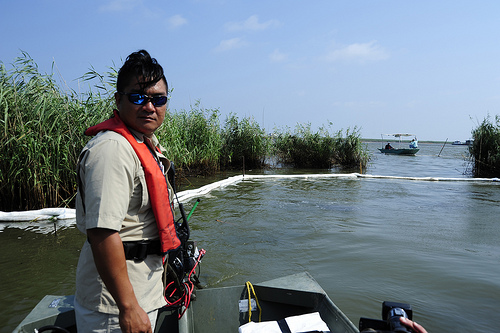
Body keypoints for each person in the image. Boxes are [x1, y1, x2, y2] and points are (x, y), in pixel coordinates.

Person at [74, 50, 180, 333]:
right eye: (137, 97)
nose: (149, 106)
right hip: (114, 308)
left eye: (158, 99)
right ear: (118, 100)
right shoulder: (112, 150)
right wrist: (129, 307)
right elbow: (102, 232)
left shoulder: (143, 143)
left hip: (142, 292)